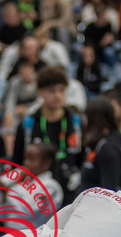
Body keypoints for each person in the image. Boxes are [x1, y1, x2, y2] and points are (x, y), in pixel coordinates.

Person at [12, 66, 83, 206]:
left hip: (70, 191)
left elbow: (81, 157)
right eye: (51, 91)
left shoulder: (75, 122)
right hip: (38, 195)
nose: (57, 95)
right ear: (40, 92)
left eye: (61, 90)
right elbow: (17, 160)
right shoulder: (29, 124)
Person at [79, 97, 121, 192]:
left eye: (86, 116)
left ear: (94, 118)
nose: (84, 120)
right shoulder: (97, 143)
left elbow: (109, 190)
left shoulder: (108, 149)